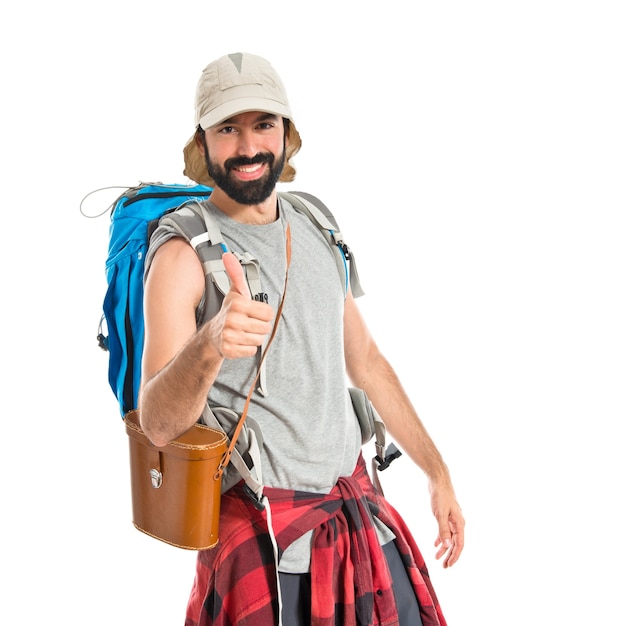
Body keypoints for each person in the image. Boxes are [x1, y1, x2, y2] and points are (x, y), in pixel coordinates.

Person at [138, 52, 464, 626]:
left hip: (357, 511)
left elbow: (365, 361)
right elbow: (158, 424)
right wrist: (211, 342)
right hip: (263, 531)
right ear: (202, 142)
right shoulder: (181, 253)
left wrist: (437, 473)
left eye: (263, 124)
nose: (247, 146)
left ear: (287, 134)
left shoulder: (315, 221)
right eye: (227, 128)